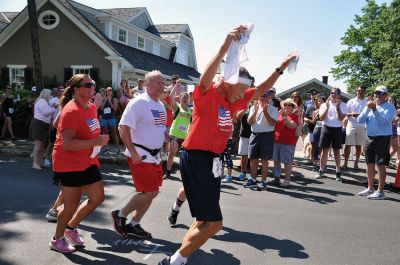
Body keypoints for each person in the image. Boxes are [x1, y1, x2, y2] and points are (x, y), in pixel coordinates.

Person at [157, 25, 295, 265]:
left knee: (204, 221)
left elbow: (262, 89)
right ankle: (173, 262)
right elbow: (207, 75)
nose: (244, 93)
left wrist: (281, 67)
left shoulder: (232, 102)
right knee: (214, 223)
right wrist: (225, 45)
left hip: (213, 162)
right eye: (240, 88)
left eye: (244, 89)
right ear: (229, 82)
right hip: (197, 157)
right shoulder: (207, 94)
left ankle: (178, 260)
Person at [111, 70, 177, 239]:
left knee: (152, 192)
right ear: (147, 85)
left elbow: (160, 129)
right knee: (149, 192)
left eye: (163, 83)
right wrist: (133, 152)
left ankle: (134, 224)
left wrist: (170, 138)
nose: (163, 86)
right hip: (140, 154)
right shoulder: (138, 102)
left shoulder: (160, 105)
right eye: (159, 83)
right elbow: (122, 127)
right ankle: (120, 214)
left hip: (155, 157)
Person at [49, 74, 109, 253]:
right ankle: (57, 239)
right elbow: (67, 143)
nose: (92, 87)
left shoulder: (90, 107)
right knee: (70, 205)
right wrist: (96, 142)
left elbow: (89, 133)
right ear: (76, 89)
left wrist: (95, 142)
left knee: (97, 197)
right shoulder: (71, 110)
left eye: (93, 84)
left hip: (88, 160)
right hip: (68, 163)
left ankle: (71, 227)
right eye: (88, 84)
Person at [357, 85, 396, 200]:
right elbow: (360, 120)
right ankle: (370, 188)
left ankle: (380, 191)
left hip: (382, 138)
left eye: (380, 93)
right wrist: (368, 109)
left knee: (380, 164)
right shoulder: (369, 105)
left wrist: (374, 109)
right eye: (376, 93)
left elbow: (383, 123)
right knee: (369, 163)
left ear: (386, 95)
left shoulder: (390, 107)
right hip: (370, 137)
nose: (377, 95)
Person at [45, 86, 73, 222]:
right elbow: (56, 124)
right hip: (64, 152)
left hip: (67, 152)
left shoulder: (68, 108)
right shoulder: (68, 109)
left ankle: (57, 210)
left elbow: (56, 124)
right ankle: (57, 211)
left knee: (71, 186)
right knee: (70, 186)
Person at [244, 89, 278, 190]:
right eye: (261, 96)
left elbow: (272, 123)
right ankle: (253, 180)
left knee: (264, 161)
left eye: (265, 96)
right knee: (253, 159)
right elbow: (249, 122)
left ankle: (263, 181)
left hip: (266, 136)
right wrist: (255, 110)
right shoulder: (253, 107)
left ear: (268, 97)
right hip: (254, 135)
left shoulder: (272, 109)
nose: (263, 98)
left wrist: (265, 111)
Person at [315, 88, 348, 181]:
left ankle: (338, 172)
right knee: (324, 151)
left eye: (334, 93)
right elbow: (321, 118)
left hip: (337, 129)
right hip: (326, 128)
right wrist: (327, 107)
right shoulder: (324, 105)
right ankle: (321, 171)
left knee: (336, 151)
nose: (332, 95)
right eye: (331, 93)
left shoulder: (343, 105)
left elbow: (341, 118)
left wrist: (337, 107)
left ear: (338, 95)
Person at [164, 89, 192, 179]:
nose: (185, 99)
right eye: (184, 97)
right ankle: (168, 173)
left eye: (187, 97)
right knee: (172, 154)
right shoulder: (177, 107)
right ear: (180, 98)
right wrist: (176, 86)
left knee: (184, 157)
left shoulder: (190, 110)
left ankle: (185, 175)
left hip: (184, 137)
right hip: (174, 135)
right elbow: (171, 97)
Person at [272, 98, 300, 186]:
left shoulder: (294, 116)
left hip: (288, 143)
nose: (287, 106)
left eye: (289, 105)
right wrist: (277, 115)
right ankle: (277, 178)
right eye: (285, 105)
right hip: (276, 141)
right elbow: (272, 125)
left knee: (287, 163)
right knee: (276, 161)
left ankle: (287, 180)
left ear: (292, 107)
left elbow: (291, 126)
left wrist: (283, 116)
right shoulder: (279, 115)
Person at [30, 89, 57, 170]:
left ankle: (40, 162)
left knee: (41, 145)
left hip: (43, 124)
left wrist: (52, 108)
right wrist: (54, 108)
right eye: (49, 94)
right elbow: (45, 112)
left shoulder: (44, 101)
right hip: (39, 124)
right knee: (38, 144)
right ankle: (35, 163)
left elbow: (46, 112)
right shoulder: (42, 101)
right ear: (45, 94)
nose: (50, 96)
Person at [343, 86, 367, 169]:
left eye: (362, 90)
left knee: (358, 145)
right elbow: (345, 113)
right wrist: (352, 114)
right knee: (348, 145)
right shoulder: (351, 101)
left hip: (362, 125)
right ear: (356, 91)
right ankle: (345, 163)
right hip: (351, 124)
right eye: (359, 90)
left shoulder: (367, 101)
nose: (360, 92)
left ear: (365, 91)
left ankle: (356, 163)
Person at [100, 87, 121, 154]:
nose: (109, 92)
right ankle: (107, 148)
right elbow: (101, 108)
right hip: (104, 118)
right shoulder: (103, 99)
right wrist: (105, 100)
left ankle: (118, 149)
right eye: (108, 91)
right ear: (106, 92)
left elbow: (115, 108)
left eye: (110, 90)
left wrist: (109, 101)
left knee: (114, 133)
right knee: (106, 134)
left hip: (111, 118)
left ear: (112, 92)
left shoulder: (114, 99)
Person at [236, 102, 253, 180]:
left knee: (253, 156)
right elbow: (238, 117)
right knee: (244, 155)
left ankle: (252, 175)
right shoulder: (244, 105)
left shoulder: (260, 105)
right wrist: (246, 108)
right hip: (244, 134)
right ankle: (243, 173)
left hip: (255, 134)